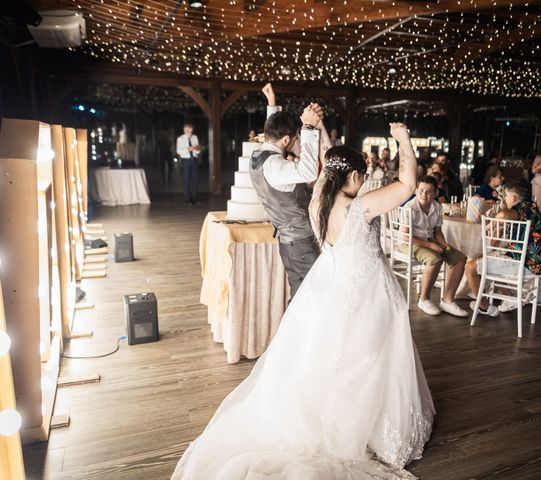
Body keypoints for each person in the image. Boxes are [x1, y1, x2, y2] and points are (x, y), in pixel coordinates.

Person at [172, 122, 435, 479]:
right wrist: (404, 139)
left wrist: (323, 131)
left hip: (332, 285)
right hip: (366, 289)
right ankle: (361, 428)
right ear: (354, 176)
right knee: (369, 356)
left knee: (329, 355)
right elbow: (406, 184)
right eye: (360, 176)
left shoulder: (318, 200)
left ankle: (332, 416)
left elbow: (331, 165)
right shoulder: (361, 208)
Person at [248, 83, 323, 298]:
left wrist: (273, 104)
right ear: (287, 140)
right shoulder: (276, 167)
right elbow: (309, 173)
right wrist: (308, 129)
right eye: (296, 137)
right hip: (299, 242)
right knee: (310, 296)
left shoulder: (258, 157)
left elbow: (273, 131)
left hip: (288, 240)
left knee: (301, 293)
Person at [465, 183, 541, 315]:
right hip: (533, 263)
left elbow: (504, 215)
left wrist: (490, 225)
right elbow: (499, 235)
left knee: (470, 267)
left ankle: (484, 306)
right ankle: (511, 299)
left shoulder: (521, 208)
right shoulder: (531, 208)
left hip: (525, 264)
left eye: (507, 196)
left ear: (514, 198)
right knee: (489, 260)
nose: (505, 199)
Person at [403, 175, 468, 317]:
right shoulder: (410, 208)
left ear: (435, 193)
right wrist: (432, 246)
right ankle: (423, 299)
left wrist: (443, 243)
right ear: (416, 190)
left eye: (428, 192)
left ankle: (447, 300)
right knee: (435, 259)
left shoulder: (437, 207)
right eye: (421, 190)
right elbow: (405, 236)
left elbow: (438, 232)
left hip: (430, 240)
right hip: (410, 243)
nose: (424, 195)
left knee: (460, 259)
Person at [176, 123, 200, 205]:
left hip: (194, 160)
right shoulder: (180, 139)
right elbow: (178, 151)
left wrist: (196, 149)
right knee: (186, 180)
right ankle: (187, 199)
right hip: (185, 161)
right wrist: (188, 149)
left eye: (191, 132)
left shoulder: (195, 137)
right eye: (188, 132)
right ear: (184, 130)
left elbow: (198, 150)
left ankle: (194, 198)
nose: (190, 134)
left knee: (195, 180)